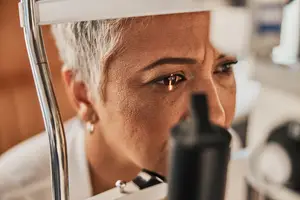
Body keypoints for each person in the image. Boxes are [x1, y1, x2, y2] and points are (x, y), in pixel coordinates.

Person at [0, 11, 238, 200]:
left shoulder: (232, 156)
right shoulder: (14, 193)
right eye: (170, 79)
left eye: (224, 68)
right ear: (84, 95)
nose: (217, 116)